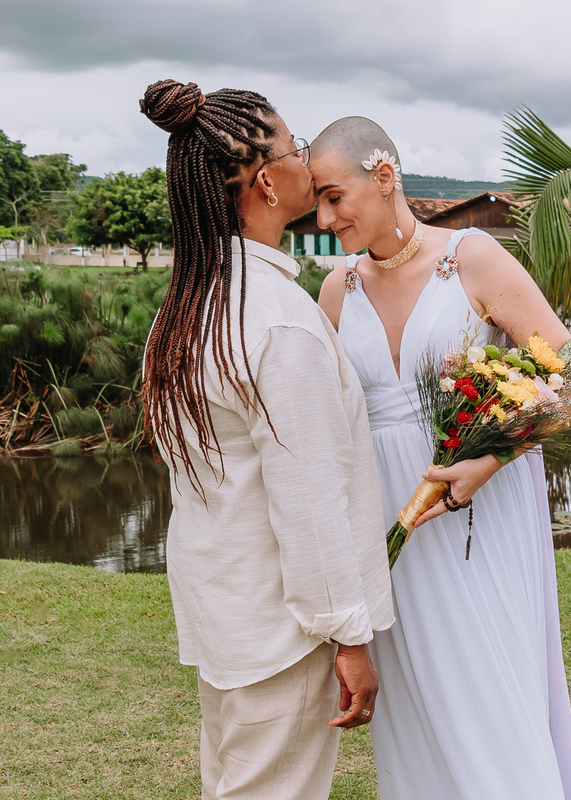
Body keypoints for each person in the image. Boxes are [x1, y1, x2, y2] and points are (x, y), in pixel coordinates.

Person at [310, 116, 571, 800]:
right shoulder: (334, 289)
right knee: (418, 710)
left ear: (384, 177)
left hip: (476, 518)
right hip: (385, 525)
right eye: (316, 201)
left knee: (488, 699)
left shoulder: (472, 259)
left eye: (332, 196)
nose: (322, 217)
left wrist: (490, 460)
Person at [138, 83, 394, 800]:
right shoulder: (279, 321)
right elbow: (306, 499)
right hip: (280, 628)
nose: (307, 160)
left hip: (225, 610)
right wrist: (348, 635)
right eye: (295, 147)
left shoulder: (187, 308)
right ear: (266, 182)